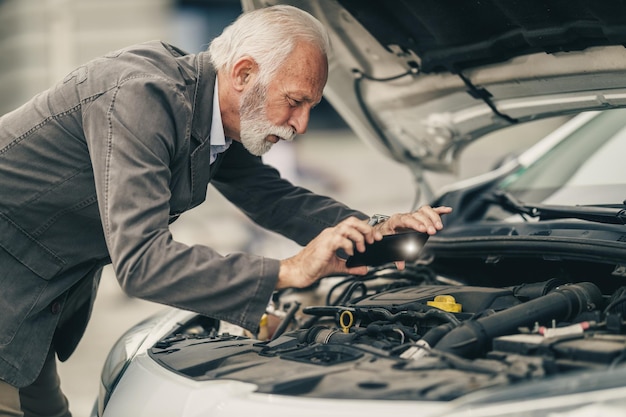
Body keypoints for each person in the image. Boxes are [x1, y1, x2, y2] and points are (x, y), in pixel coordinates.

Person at [0, 5, 451, 416]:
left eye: (311, 107)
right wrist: (287, 270)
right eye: (294, 101)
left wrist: (376, 230)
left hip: (28, 304)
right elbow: (142, 264)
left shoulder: (206, 106)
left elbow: (272, 197)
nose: (301, 125)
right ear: (243, 73)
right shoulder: (141, 98)